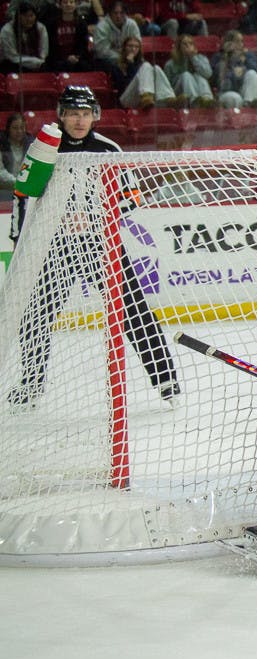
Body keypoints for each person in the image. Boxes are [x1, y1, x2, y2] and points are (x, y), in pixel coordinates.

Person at [7, 86, 180, 407]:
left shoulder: (107, 148)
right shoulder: (45, 147)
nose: (79, 120)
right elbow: (23, 194)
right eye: (73, 113)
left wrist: (98, 216)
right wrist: (21, 241)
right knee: (35, 315)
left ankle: (166, 379)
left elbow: (131, 196)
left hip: (101, 244)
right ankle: (31, 383)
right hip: (55, 246)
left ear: (94, 116)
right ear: (61, 114)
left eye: (85, 113)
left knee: (134, 310)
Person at [111, 35, 177, 109]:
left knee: (156, 68)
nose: (133, 49)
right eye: (130, 46)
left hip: (144, 100)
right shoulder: (116, 65)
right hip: (126, 98)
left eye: (136, 47)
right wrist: (130, 65)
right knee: (146, 65)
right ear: (124, 48)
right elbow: (122, 86)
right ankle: (146, 96)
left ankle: (169, 98)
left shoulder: (141, 65)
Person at [212, 29, 257, 109]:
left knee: (252, 74)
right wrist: (227, 57)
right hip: (226, 93)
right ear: (228, 43)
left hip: (245, 92)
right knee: (236, 98)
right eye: (237, 41)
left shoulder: (248, 55)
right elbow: (221, 84)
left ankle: (248, 105)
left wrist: (246, 60)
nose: (241, 44)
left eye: (242, 41)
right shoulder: (219, 57)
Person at [163, 33, 215, 108]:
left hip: (199, 91)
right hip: (179, 95)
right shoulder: (170, 64)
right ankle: (194, 101)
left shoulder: (201, 58)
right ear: (179, 47)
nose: (188, 46)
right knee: (186, 75)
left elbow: (208, 74)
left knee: (199, 76)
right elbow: (167, 86)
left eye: (190, 43)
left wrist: (193, 57)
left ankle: (206, 100)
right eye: (185, 44)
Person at [93, 1, 141, 74]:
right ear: (110, 14)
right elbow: (102, 52)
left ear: (125, 13)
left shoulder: (132, 25)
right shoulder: (101, 27)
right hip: (107, 61)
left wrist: (131, 55)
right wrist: (122, 58)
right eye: (115, 13)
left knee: (143, 65)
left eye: (121, 13)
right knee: (117, 68)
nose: (118, 16)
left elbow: (138, 44)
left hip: (130, 57)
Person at [45, 0, 93, 72]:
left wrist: (76, 56)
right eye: (65, 2)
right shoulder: (52, 24)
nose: (68, 5)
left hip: (76, 59)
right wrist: (64, 58)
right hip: (58, 60)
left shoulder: (81, 24)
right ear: (60, 5)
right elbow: (51, 46)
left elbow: (83, 45)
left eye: (71, 2)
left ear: (76, 4)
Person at [0, 1, 48, 73]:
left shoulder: (41, 28)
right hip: (14, 64)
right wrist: (35, 62)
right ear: (18, 17)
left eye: (31, 16)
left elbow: (43, 52)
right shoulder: (7, 30)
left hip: (37, 64)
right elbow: (12, 56)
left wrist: (39, 62)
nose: (28, 19)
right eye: (25, 16)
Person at [0, 112, 30, 201]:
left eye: (22, 128)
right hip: (4, 192)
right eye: (15, 128)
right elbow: (1, 172)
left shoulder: (30, 145)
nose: (19, 131)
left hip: (26, 191)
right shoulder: (1, 145)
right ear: (8, 129)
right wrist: (18, 183)